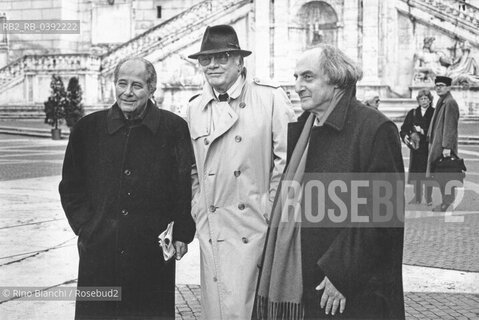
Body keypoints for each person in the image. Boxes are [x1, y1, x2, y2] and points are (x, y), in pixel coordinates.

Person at [255, 45, 405, 320]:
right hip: (307, 277)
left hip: (348, 286)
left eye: (308, 77)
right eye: (296, 77)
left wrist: (341, 273)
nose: (297, 85)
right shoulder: (305, 127)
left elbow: (382, 215)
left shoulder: (374, 128)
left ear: (336, 81)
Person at [59, 57, 196, 319]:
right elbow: (71, 187)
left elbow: (183, 186)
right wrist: (87, 228)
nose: (128, 92)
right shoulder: (87, 129)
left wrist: (182, 232)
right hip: (98, 252)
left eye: (137, 85)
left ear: (152, 88)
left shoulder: (173, 128)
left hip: (151, 253)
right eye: (122, 84)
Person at [186, 25, 295, 319]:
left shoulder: (271, 98)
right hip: (214, 229)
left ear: (239, 60)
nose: (213, 65)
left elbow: (289, 162)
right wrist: (199, 207)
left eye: (222, 56)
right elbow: (192, 170)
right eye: (206, 59)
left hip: (256, 229)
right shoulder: (194, 108)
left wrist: (270, 208)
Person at [426, 76, 460, 212]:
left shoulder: (450, 102)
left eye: (442, 85)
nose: (438, 87)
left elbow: (450, 126)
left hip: (443, 146)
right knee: (440, 175)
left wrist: (447, 147)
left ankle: (446, 202)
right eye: (437, 85)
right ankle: (445, 201)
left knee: (445, 175)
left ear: (449, 87)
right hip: (437, 143)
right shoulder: (442, 100)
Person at [400, 89, 435, 205]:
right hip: (416, 147)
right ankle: (417, 196)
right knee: (417, 173)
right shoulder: (413, 112)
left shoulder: (434, 113)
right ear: (418, 100)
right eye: (421, 98)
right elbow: (404, 128)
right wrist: (405, 136)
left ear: (430, 100)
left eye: (426, 98)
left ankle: (428, 198)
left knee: (428, 173)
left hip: (428, 147)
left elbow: (436, 130)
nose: (424, 101)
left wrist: (423, 131)